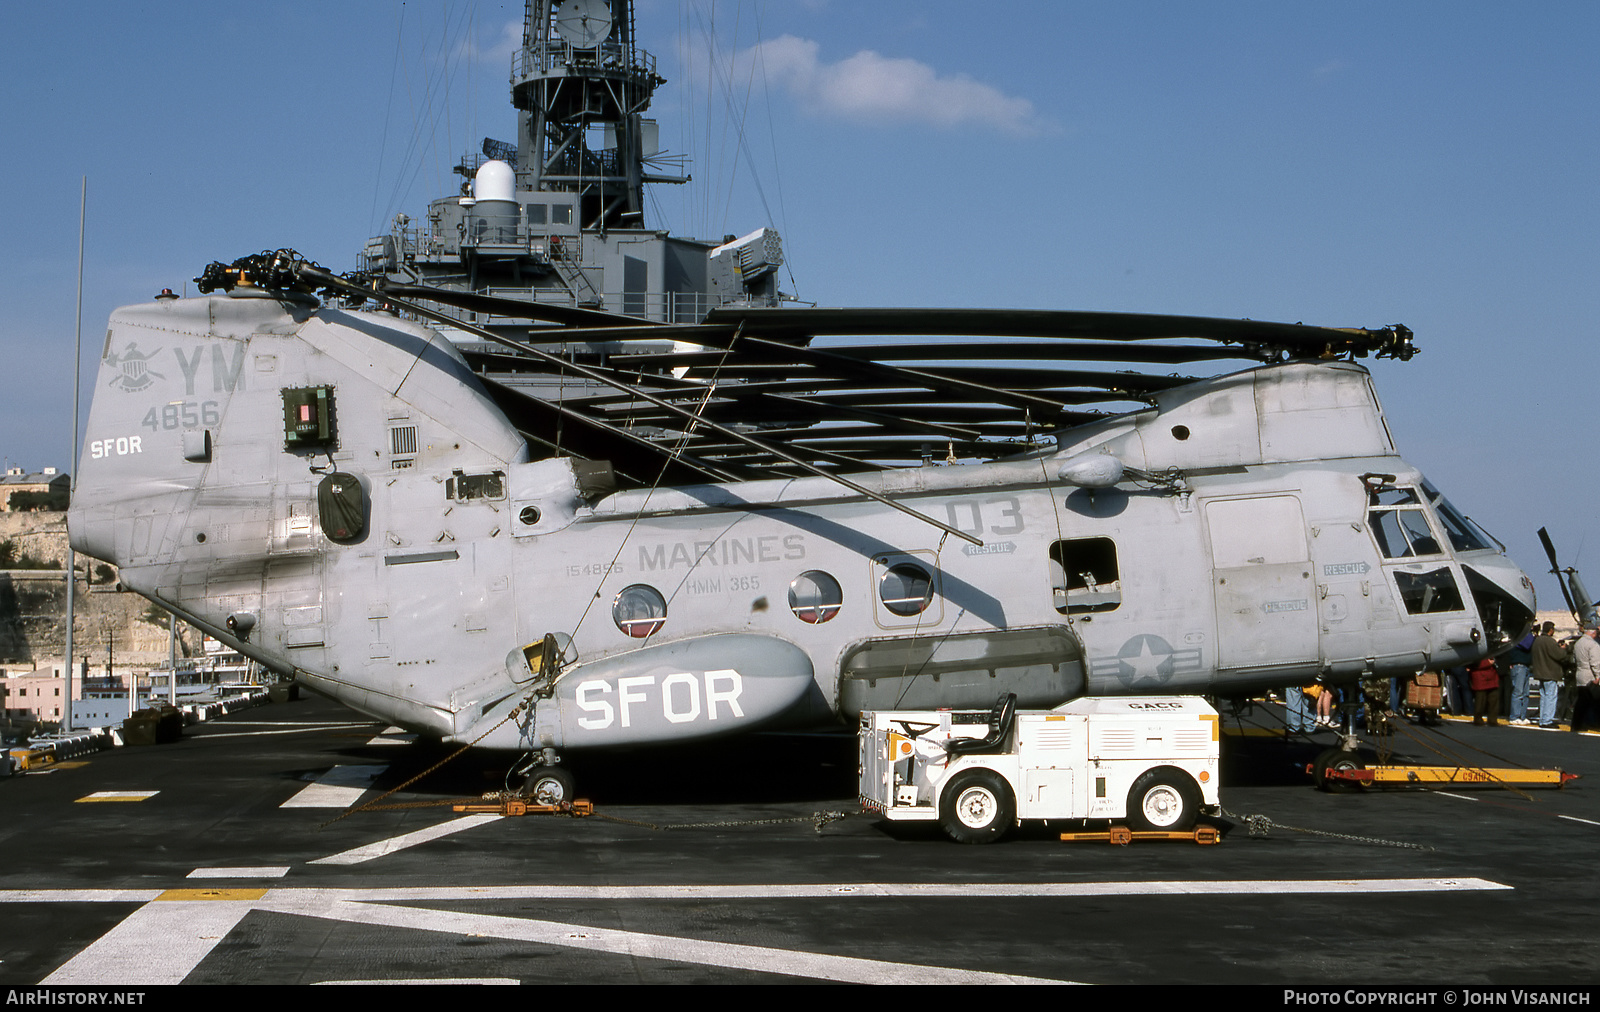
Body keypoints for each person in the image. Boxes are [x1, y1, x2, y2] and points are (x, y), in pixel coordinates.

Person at [1531, 622, 1569, 729]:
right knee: (1550, 697)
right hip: (1550, 673)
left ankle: (1543, 719)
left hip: (1540, 672)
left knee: (1543, 697)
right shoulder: (1549, 641)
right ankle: (1547, 720)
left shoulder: (1537, 640)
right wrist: (1563, 648)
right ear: (1551, 630)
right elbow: (1559, 655)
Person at [1570, 626, 1600, 733]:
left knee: (1581, 702)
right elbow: (1595, 662)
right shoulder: (1593, 645)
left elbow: (1574, 659)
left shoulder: (1578, 643)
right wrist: (1598, 676)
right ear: (1593, 633)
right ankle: (1595, 723)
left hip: (1580, 673)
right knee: (1595, 701)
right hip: (1590, 675)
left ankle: (1576, 724)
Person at [1506, 630, 1534, 724]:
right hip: (1519, 665)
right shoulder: (1518, 635)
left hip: (1525, 665)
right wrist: (1531, 635)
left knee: (1525, 693)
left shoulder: (1522, 635)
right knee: (1518, 692)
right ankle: (1514, 716)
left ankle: (1522, 716)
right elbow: (1527, 645)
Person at [1469, 656, 1501, 726]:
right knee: (1480, 701)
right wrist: (1487, 663)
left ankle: (1493, 720)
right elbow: (1473, 663)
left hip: (1492, 675)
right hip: (1480, 675)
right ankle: (1478, 719)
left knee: (1494, 699)